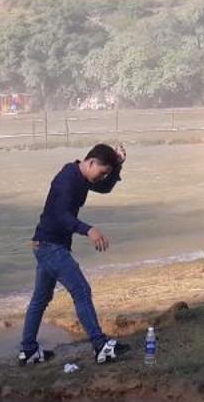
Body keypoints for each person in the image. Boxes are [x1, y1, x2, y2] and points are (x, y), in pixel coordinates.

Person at [17, 143, 128, 365]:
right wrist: (89, 230)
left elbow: (105, 188)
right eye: (102, 171)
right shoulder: (67, 179)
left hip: (45, 245)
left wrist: (118, 167)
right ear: (91, 162)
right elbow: (61, 215)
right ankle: (100, 346)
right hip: (50, 246)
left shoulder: (82, 178)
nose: (102, 177)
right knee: (81, 290)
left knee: (40, 299)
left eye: (106, 173)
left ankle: (28, 351)